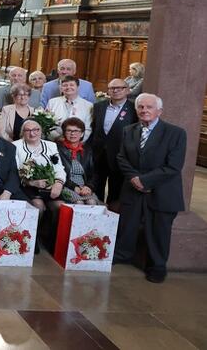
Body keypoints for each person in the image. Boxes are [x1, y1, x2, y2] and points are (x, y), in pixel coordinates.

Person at [113, 93, 185, 283]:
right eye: (141, 107)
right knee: (127, 225)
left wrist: (145, 181)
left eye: (149, 107)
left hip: (162, 191)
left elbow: (174, 166)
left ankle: (157, 266)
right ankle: (122, 255)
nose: (145, 110)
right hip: (132, 188)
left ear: (159, 111)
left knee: (159, 231)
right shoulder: (129, 130)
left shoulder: (176, 133)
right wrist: (134, 178)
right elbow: (121, 157)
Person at [13, 118, 66, 249]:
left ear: (41, 131)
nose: (32, 133)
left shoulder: (51, 146)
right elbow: (13, 172)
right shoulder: (15, 146)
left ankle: (50, 238)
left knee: (60, 206)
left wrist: (58, 183)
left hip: (50, 187)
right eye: (28, 130)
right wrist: (32, 182)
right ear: (22, 132)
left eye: (36, 130)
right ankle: (31, 237)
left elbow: (59, 168)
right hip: (27, 186)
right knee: (38, 206)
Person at [91, 78, 137, 203]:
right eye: (112, 88)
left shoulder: (134, 109)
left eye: (119, 88)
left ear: (127, 90)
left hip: (120, 155)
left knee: (116, 190)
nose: (115, 90)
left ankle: (112, 216)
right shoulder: (99, 106)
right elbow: (94, 127)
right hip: (99, 154)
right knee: (96, 187)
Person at [57, 117, 101, 205]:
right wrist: (74, 187)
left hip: (84, 187)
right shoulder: (57, 149)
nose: (73, 134)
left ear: (82, 134)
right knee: (79, 202)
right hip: (65, 187)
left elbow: (94, 173)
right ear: (64, 133)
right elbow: (56, 172)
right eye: (69, 130)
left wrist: (89, 187)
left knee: (91, 202)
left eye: (76, 131)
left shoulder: (88, 150)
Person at [46, 76, 94, 142]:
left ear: (78, 87)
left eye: (72, 85)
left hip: (78, 145)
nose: (68, 87)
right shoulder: (52, 102)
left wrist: (77, 142)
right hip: (55, 142)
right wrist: (58, 138)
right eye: (65, 85)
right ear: (61, 88)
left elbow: (88, 129)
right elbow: (47, 124)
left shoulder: (88, 105)